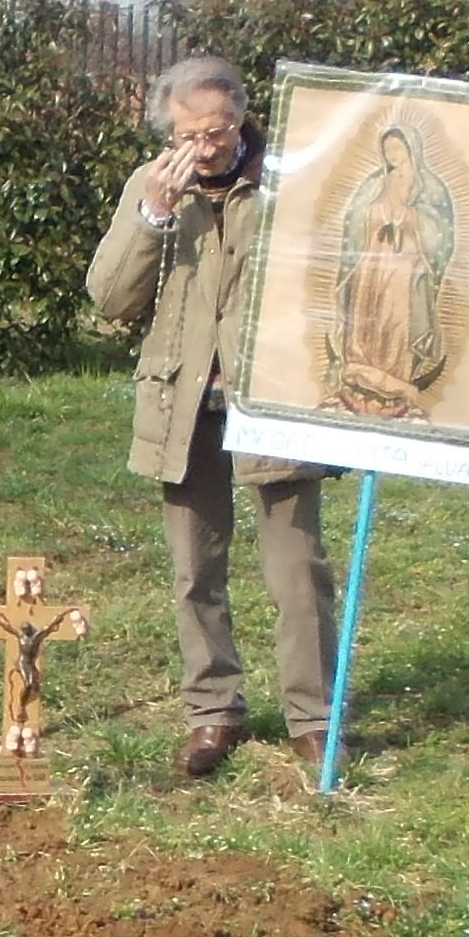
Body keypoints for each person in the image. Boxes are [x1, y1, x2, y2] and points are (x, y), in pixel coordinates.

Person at [86, 54, 337, 779]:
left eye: (220, 128)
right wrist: (153, 218)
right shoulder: (153, 189)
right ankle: (212, 713)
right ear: (169, 132)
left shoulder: (290, 184)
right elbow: (108, 300)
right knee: (195, 567)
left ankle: (312, 718)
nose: (208, 145)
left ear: (243, 118)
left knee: (297, 568)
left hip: (276, 398)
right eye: (191, 133)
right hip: (182, 400)